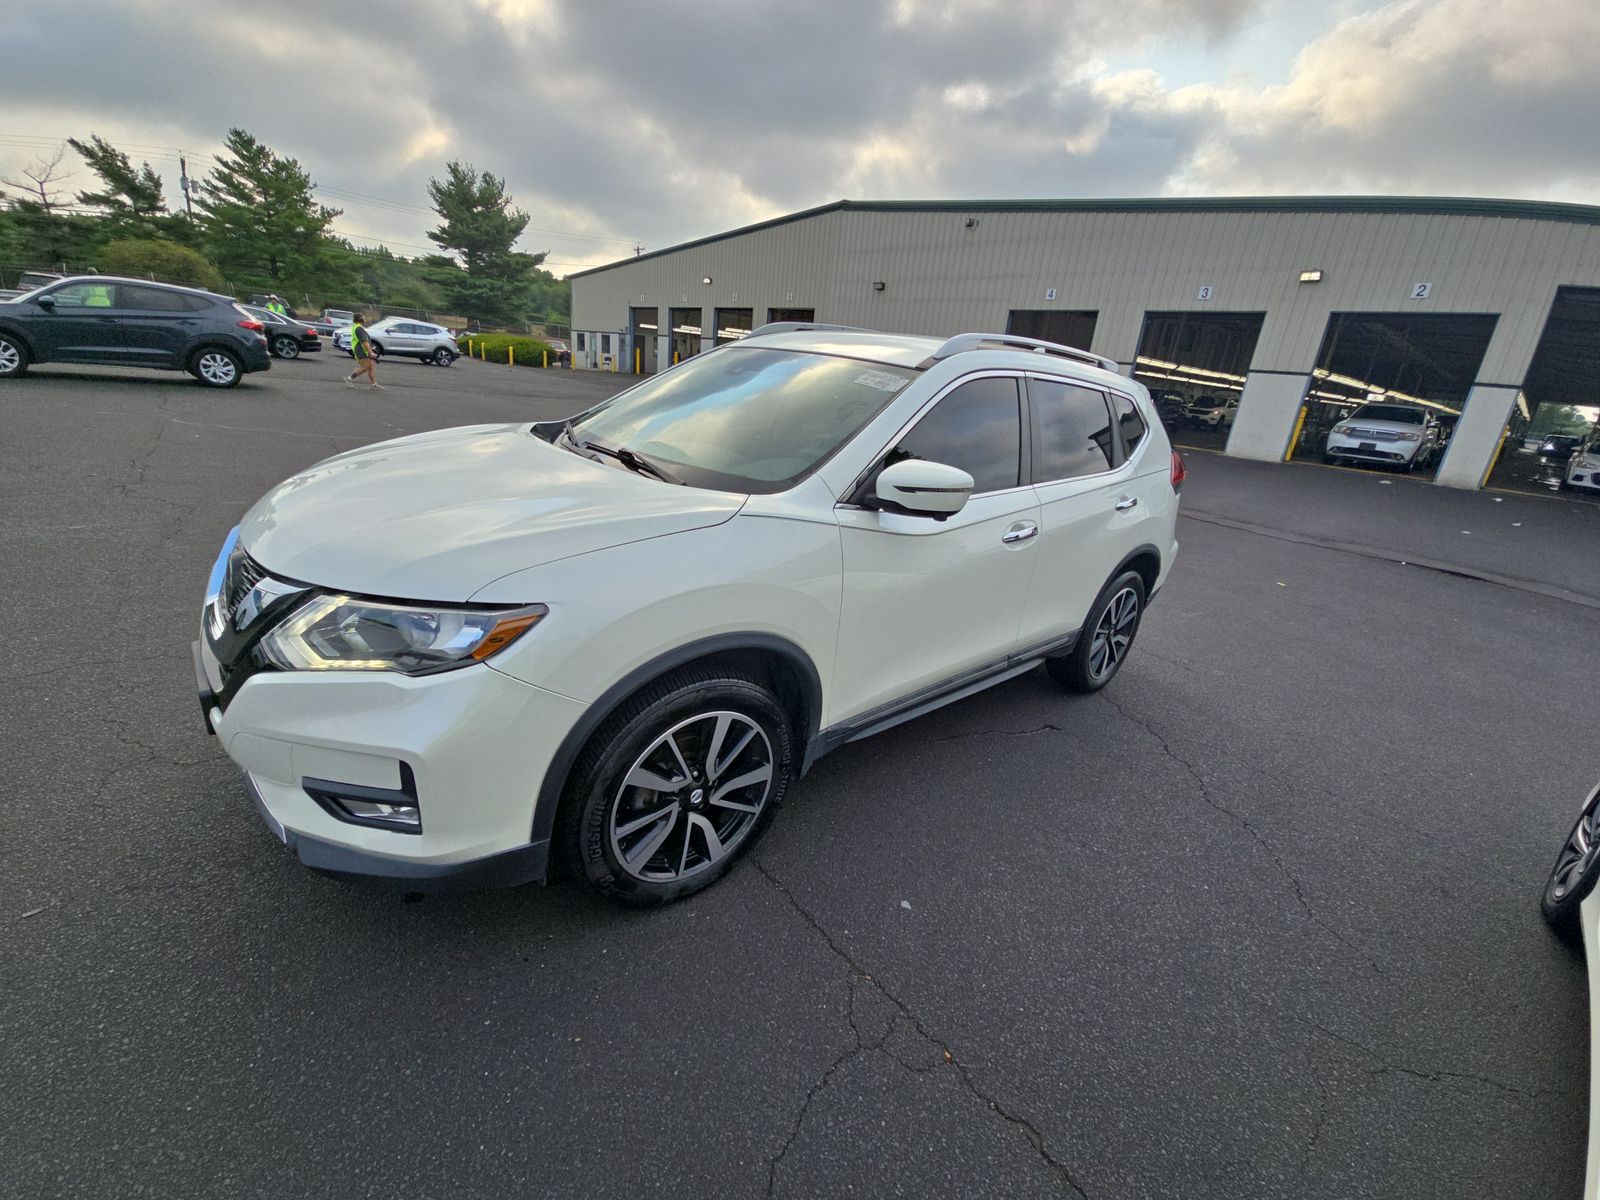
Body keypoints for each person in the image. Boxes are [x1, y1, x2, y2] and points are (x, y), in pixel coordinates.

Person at [343, 317, 383, 390]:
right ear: (360, 319)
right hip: (362, 351)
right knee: (365, 367)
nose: (365, 319)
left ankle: (374, 384)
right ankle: (349, 378)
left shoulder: (356, 327)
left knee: (371, 366)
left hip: (362, 350)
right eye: (364, 318)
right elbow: (364, 341)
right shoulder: (359, 329)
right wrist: (371, 352)